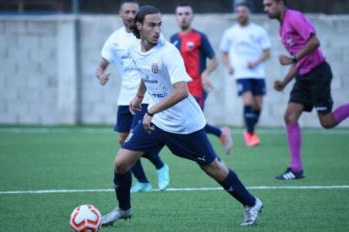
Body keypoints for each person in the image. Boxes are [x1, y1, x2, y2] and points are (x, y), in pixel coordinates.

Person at [101, 5, 263, 227]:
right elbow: (145, 72)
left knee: (212, 168)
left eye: (160, 24)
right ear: (139, 26)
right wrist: (139, 96)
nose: (157, 30)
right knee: (121, 163)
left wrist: (149, 110)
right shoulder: (134, 49)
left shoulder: (168, 52)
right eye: (151, 25)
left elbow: (181, 91)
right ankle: (123, 208)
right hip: (159, 122)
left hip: (184, 124)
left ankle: (251, 202)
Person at [263, 0, 349, 180]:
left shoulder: (294, 17)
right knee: (290, 116)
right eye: (264, 5)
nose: (266, 9)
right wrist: (284, 82)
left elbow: (314, 42)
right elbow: (298, 61)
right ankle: (296, 169)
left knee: (327, 122)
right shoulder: (282, 26)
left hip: (318, 74)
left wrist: (293, 58)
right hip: (304, 77)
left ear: (280, 3)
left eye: (269, 4)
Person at [95, 0, 169, 191]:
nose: (130, 15)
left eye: (133, 12)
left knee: (134, 141)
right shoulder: (115, 39)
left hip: (145, 96)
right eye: (126, 11)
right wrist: (101, 74)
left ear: (139, 18)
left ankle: (161, 167)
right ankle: (143, 182)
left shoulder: (151, 36)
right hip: (124, 97)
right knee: (123, 140)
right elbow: (101, 65)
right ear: (120, 14)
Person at [170, 4, 233, 154]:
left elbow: (214, 60)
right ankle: (220, 134)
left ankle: (211, 156)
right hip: (180, 88)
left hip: (197, 87)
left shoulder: (200, 37)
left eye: (186, 13)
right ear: (176, 17)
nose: (183, 16)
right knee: (188, 122)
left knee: (194, 122)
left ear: (192, 17)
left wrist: (205, 75)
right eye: (180, 14)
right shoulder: (173, 39)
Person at [220, 2, 271, 147]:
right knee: (248, 101)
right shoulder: (230, 32)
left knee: (258, 105)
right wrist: (229, 66)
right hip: (241, 73)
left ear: (249, 13)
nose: (241, 14)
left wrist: (256, 62)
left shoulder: (259, 31)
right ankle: (250, 134)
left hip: (258, 73)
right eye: (239, 11)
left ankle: (250, 129)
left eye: (244, 11)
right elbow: (224, 53)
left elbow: (267, 52)